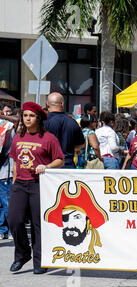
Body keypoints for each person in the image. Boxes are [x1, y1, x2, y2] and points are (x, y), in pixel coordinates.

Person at [8, 102, 64, 274]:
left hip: (39, 184)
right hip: (20, 184)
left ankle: (40, 261)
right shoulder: (18, 138)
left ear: (38, 118)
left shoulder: (49, 138)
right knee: (14, 220)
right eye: (25, 116)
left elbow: (60, 160)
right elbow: (16, 162)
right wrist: (14, 183)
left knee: (37, 224)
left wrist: (46, 166)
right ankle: (22, 254)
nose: (27, 119)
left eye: (31, 116)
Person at [44, 92, 85, 168]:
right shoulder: (72, 122)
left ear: (47, 104)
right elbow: (81, 144)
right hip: (67, 165)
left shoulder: (43, 122)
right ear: (62, 104)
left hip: (48, 165)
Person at [0, 118, 15, 239]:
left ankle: (10, 231)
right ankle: (3, 229)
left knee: (7, 203)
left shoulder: (7, 127)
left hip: (5, 171)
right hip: (4, 171)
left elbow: (6, 150)